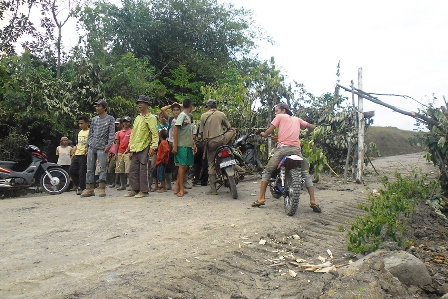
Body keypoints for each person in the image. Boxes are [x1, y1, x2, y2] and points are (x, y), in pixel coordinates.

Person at [251, 103, 321, 213]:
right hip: (296, 150)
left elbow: (270, 130)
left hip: (283, 149)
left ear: (283, 110)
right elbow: (312, 127)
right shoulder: (297, 119)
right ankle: (313, 200)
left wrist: (264, 134)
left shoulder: (280, 117)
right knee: (305, 173)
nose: (275, 113)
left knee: (267, 171)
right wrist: (307, 133)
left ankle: (261, 198)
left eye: (276, 110)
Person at [199, 99, 235, 195]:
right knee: (233, 131)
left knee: (211, 164)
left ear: (208, 107)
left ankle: (213, 190)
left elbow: (201, 132)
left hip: (210, 143)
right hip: (221, 140)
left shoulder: (203, 116)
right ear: (216, 106)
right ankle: (229, 147)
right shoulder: (221, 114)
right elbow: (229, 127)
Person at [81, 99, 115, 198]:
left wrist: (108, 145)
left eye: (99, 106)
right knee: (90, 168)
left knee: (102, 168)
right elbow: (91, 133)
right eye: (96, 106)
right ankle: (89, 189)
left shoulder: (110, 119)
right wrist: (87, 145)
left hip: (102, 147)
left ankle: (101, 188)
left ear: (104, 108)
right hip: (92, 146)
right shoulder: (94, 119)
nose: (97, 108)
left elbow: (111, 133)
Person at [126, 95, 159, 198]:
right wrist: (130, 147)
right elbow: (133, 133)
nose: (139, 104)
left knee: (143, 170)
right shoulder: (138, 118)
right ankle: (135, 189)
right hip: (135, 147)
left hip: (144, 147)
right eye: (138, 103)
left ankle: (144, 191)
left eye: (142, 103)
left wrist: (153, 147)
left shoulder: (151, 118)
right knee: (133, 170)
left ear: (147, 104)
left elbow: (154, 133)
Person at [172, 98, 196, 197]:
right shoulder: (182, 116)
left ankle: (177, 187)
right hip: (181, 145)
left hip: (188, 145)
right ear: (191, 106)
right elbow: (176, 129)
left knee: (185, 166)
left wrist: (193, 144)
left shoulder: (188, 116)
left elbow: (189, 133)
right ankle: (181, 189)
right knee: (182, 167)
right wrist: (175, 145)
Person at [160, 102, 181, 190]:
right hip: (171, 143)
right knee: (169, 163)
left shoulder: (183, 118)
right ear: (172, 112)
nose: (176, 112)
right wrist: (172, 105)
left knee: (181, 164)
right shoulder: (170, 119)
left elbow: (190, 107)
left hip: (180, 143)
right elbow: (162, 109)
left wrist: (181, 105)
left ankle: (181, 182)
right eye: (174, 110)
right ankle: (168, 183)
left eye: (177, 110)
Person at [70, 116, 89, 195]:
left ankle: (81, 187)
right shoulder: (80, 132)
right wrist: (74, 153)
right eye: (79, 124)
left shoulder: (90, 132)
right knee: (72, 170)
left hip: (83, 155)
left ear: (86, 123)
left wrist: (88, 149)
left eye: (82, 123)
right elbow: (78, 143)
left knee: (82, 172)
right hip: (77, 153)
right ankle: (79, 185)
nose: (80, 125)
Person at [115, 116, 132, 191]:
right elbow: (117, 143)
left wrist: (131, 151)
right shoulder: (119, 133)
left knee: (128, 170)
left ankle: (131, 185)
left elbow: (133, 142)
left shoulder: (132, 132)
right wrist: (116, 153)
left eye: (127, 122)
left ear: (130, 123)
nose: (125, 123)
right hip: (120, 152)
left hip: (128, 152)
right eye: (124, 121)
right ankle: (123, 185)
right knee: (120, 170)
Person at [107, 118, 122, 187]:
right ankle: (113, 182)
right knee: (110, 168)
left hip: (120, 152)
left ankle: (118, 183)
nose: (116, 125)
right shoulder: (116, 133)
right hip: (113, 152)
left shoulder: (123, 132)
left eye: (118, 124)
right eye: (115, 124)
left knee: (118, 169)